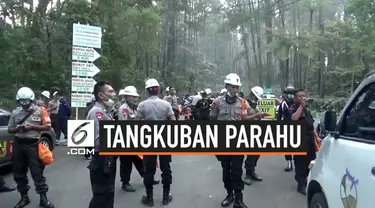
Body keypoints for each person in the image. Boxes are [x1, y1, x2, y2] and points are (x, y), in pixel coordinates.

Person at [210, 73, 259, 208]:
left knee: (237, 171)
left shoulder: (243, 102)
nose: (235, 90)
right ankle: (229, 194)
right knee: (226, 171)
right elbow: (212, 120)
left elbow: (251, 114)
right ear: (227, 86)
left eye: (237, 87)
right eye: (232, 87)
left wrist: (257, 114)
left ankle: (238, 199)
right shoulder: (217, 102)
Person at [8, 87, 54, 208]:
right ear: (18, 101)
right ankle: (24, 197)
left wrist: (32, 127)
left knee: (37, 172)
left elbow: (47, 127)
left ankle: (43, 199)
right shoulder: (15, 113)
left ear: (31, 99)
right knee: (18, 172)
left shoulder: (41, 111)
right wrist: (17, 129)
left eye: (26, 101)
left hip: (32, 145)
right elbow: (10, 129)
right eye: (21, 101)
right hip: (18, 144)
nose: (24, 103)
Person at [136, 78, 175, 206]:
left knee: (149, 169)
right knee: (166, 168)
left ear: (148, 90)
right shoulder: (166, 105)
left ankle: (149, 198)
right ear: (158, 90)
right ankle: (165, 196)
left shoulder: (142, 105)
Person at [86, 81, 117, 208]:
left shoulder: (107, 112)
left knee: (109, 193)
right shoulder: (96, 113)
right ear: (101, 95)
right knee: (101, 196)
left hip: (108, 157)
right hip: (101, 158)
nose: (113, 94)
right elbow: (98, 140)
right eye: (110, 91)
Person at [285, 88, 317, 195]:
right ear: (295, 98)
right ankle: (301, 184)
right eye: (300, 96)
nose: (302, 98)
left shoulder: (307, 110)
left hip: (310, 140)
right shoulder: (292, 108)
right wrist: (301, 107)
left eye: (304, 96)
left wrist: (316, 136)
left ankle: (306, 179)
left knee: (311, 161)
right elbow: (293, 119)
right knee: (300, 163)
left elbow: (311, 124)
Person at [243, 86, 265, 186]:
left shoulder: (254, 104)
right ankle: (248, 173)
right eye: (255, 97)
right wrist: (256, 115)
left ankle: (252, 171)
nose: (256, 99)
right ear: (251, 94)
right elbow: (243, 118)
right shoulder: (244, 103)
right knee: (251, 153)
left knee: (256, 153)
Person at [277, 85, 295, 172]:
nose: (290, 96)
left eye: (292, 94)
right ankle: (289, 162)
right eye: (289, 94)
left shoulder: (298, 103)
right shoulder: (283, 104)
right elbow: (279, 116)